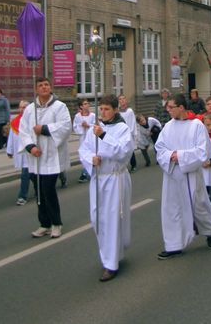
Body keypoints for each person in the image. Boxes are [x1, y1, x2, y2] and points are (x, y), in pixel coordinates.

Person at [154, 93, 211, 259]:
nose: (168, 110)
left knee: (198, 206)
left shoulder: (196, 125)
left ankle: (210, 231)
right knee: (172, 209)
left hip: (190, 175)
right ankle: (174, 245)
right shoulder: (168, 126)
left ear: (181, 108)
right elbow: (159, 148)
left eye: (171, 107)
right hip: (172, 175)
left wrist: (180, 156)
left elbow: (202, 151)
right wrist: (170, 156)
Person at [78, 95, 134, 282]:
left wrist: (103, 136)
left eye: (107, 109)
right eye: (100, 108)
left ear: (115, 110)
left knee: (111, 221)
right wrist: (90, 159)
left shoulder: (122, 128)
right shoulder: (94, 128)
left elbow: (122, 152)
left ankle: (110, 264)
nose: (103, 112)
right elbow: (83, 150)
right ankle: (113, 253)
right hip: (98, 178)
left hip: (114, 178)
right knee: (97, 219)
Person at [19, 77, 72, 239]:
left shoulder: (59, 107)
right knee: (39, 193)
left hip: (51, 157)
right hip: (36, 158)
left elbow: (65, 127)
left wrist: (44, 129)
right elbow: (24, 131)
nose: (44, 87)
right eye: (40, 85)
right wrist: (31, 147)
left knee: (48, 191)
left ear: (50, 88)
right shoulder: (29, 110)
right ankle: (44, 224)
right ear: (36, 89)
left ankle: (56, 223)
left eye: (46, 85)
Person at [7, 100, 36, 205]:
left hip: (30, 152)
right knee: (31, 175)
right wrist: (9, 150)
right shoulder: (15, 122)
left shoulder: (33, 120)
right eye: (20, 107)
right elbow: (11, 137)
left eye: (24, 107)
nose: (21, 109)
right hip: (21, 153)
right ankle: (38, 190)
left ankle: (22, 197)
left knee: (25, 174)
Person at [73, 99, 96, 183]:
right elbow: (75, 126)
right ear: (81, 106)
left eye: (87, 103)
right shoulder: (77, 116)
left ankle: (85, 174)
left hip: (91, 139)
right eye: (85, 104)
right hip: (82, 138)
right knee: (84, 155)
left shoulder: (93, 115)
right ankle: (87, 172)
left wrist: (88, 125)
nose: (87, 105)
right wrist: (81, 127)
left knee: (91, 155)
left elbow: (96, 125)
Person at [118, 95, 138, 172]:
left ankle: (133, 165)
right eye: (120, 99)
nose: (122, 100)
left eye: (123, 99)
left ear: (126, 100)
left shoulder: (129, 111)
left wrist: (131, 133)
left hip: (129, 132)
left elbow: (132, 122)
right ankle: (123, 165)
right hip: (121, 133)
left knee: (130, 149)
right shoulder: (118, 112)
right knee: (123, 150)